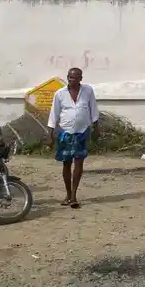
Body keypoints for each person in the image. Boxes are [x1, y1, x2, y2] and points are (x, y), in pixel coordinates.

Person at [47, 67, 100, 209]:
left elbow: (93, 109)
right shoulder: (60, 94)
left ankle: (74, 196)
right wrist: (50, 134)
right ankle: (67, 194)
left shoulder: (88, 91)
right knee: (66, 163)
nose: (73, 80)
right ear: (67, 78)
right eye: (70, 77)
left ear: (80, 79)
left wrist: (96, 128)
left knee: (79, 162)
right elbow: (54, 114)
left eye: (76, 78)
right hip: (65, 132)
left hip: (83, 131)